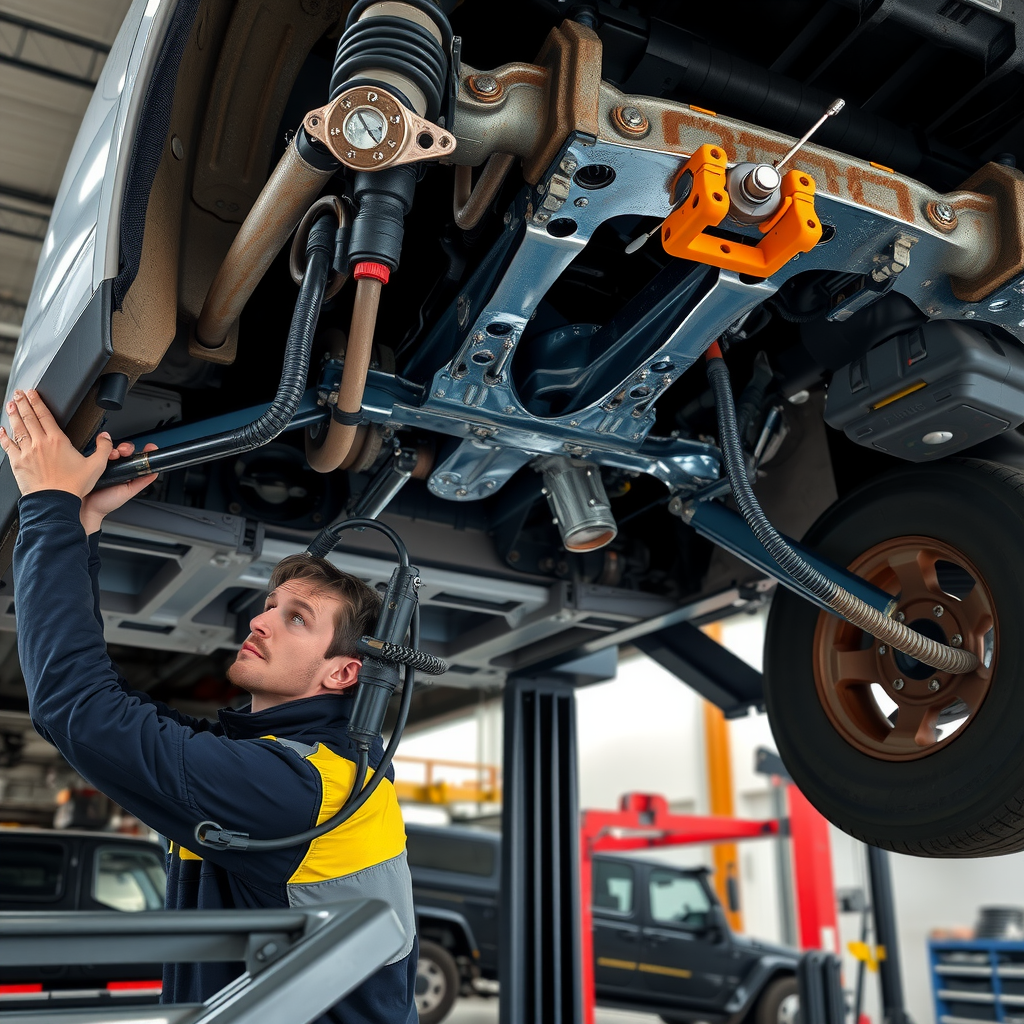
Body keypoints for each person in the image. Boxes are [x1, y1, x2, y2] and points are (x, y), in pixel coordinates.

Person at [2, 388, 417, 1024]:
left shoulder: (301, 789)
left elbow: (76, 709)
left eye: (296, 618)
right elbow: (96, 706)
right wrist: (80, 530)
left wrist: (50, 507)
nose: (262, 620)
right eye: (271, 604)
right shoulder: (276, 764)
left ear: (343, 671)